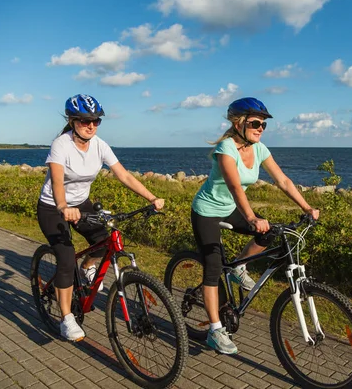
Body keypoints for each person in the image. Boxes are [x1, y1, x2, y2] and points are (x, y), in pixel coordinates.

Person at [191, 97, 320, 354]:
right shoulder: (226, 148)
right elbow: (234, 186)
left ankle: (239, 268)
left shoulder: (259, 149)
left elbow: (282, 180)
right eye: (255, 123)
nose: (260, 128)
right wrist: (251, 218)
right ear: (238, 123)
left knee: (270, 234)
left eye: (264, 124)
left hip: (230, 210)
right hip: (206, 212)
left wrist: (306, 207)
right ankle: (215, 331)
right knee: (213, 267)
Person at [37, 94, 164, 342]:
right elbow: (57, 179)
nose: (91, 126)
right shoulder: (61, 145)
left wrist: (152, 197)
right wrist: (63, 205)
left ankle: (87, 268)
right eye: (85, 121)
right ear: (73, 121)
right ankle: (66, 319)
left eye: (96, 121)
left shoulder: (99, 145)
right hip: (53, 206)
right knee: (65, 257)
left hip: (81, 205)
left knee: (104, 240)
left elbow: (124, 176)